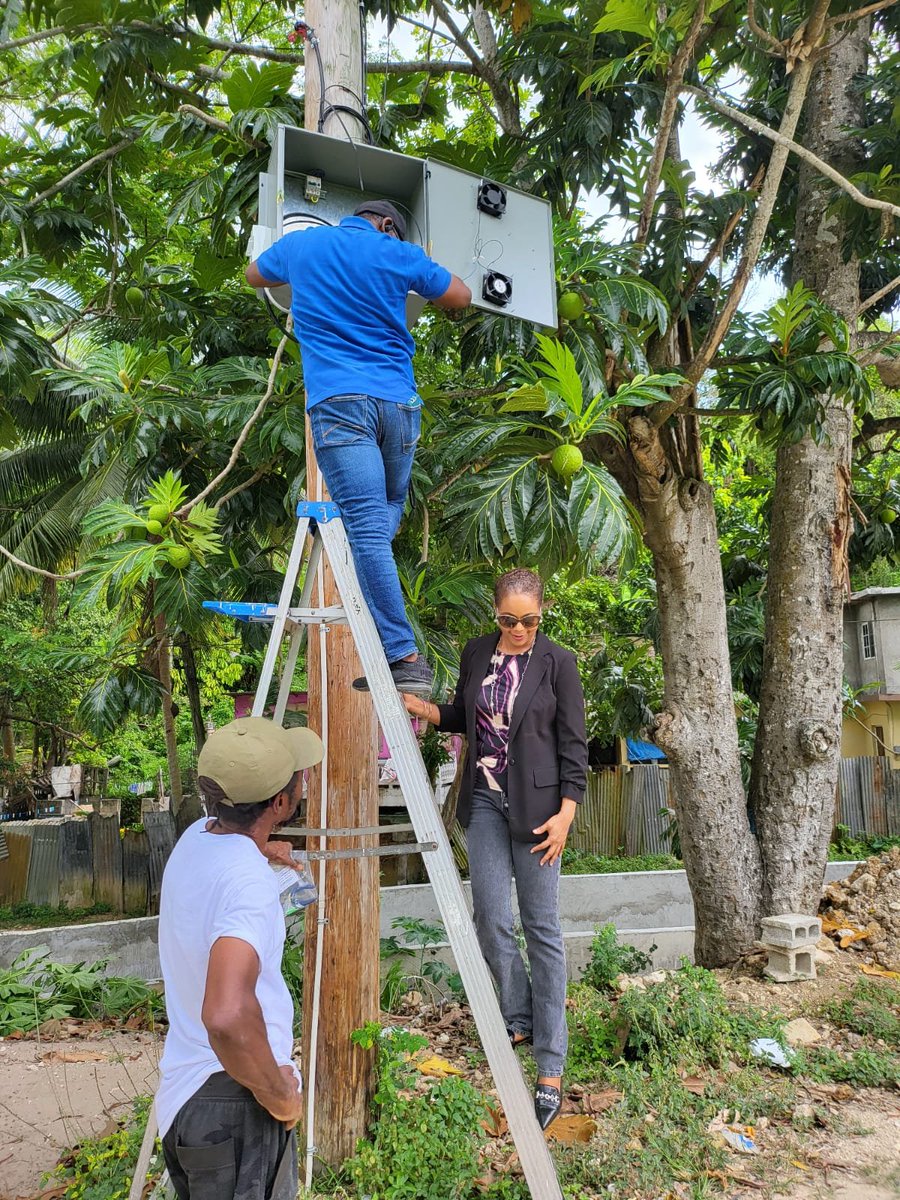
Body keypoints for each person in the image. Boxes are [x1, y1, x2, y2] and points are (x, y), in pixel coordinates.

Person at [246, 200, 471, 698]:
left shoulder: (302, 245)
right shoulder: (400, 253)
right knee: (387, 511)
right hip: (400, 408)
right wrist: (407, 270)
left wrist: (306, 280)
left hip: (341, 406)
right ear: (387, 225)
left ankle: (404, 657)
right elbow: (461, 295)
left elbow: (252, 274)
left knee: (367, 530)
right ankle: (385, 608)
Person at [402, 568, 588, 1130]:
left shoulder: (559, 663)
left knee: (542, 929)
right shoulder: (477, 652)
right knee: (489, 917)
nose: (519, 630)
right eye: (509, 620)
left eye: (529, 620)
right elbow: (465, 715)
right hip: (484, 798)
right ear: (495, 614)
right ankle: (519, 1013)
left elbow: (574, 747)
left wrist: (566, 817)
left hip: (540, 814)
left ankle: (550, 1065)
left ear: (542, 612)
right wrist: (424, 711)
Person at [157, 716, 324, 1200]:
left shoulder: (196, 837)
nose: (302, 780)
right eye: (297, 776)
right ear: (279, 803)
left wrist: (258, 850)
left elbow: (224, 864)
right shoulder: (247, 883)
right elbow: (227, 1016)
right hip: (233, 1101)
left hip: (190, 1096)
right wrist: (280, 1096)